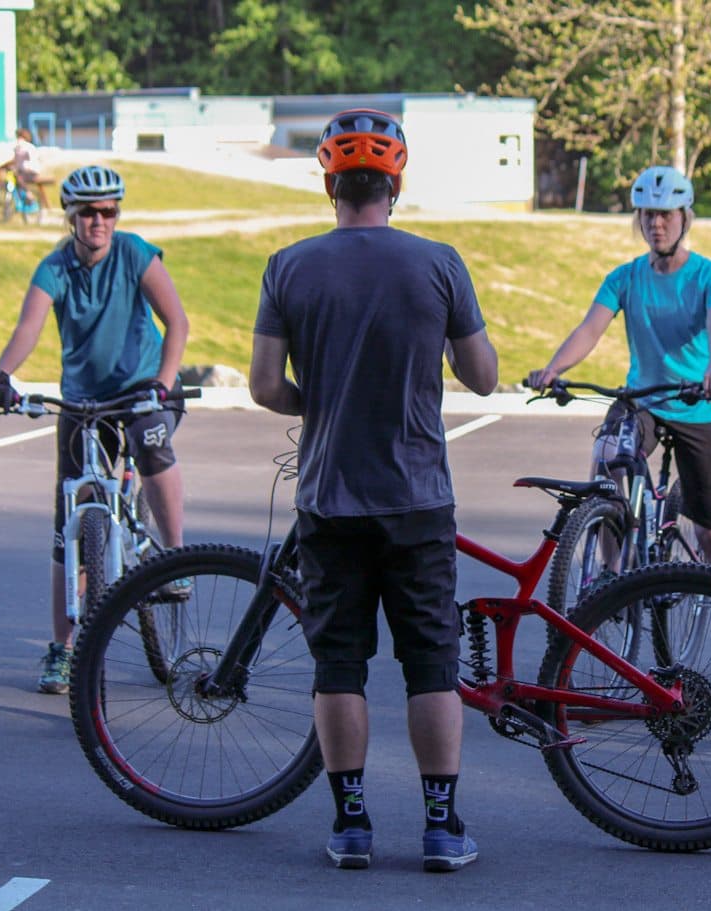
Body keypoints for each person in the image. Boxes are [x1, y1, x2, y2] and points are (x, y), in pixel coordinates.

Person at [248, 109, 498, 873]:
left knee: (339, 665)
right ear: (396, 182)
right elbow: (482, 376)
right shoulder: (438, 262)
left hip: (329, 498)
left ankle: (351, 823)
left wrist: (318, 401)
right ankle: (442, 825)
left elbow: (265, 386)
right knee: (430, 664)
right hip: (418, 497)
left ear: (330, 182)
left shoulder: (288, 266)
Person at [526, 164, 711, 697]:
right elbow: (590, 328)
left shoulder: (708, 276)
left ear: (684, 218)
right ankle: (611, 571)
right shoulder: (625, 277)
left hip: (700, 405)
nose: (656, 224)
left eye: (666, 214)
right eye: (648, 215)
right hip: (646, 400)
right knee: (609, 455)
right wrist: (554, 368)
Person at [0, 164, 190, 695]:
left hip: (142, 387)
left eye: (108, 211)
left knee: (150, 442)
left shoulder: (136, 253)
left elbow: (177, 324)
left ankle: (174, 556)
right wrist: (3, 375)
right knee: (65, 527)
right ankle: (61, 650)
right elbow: (28, 326)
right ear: (70, 217)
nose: (99, 221)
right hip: (82, 399)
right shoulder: (54, 267)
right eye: (88, 213)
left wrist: (164, 384)